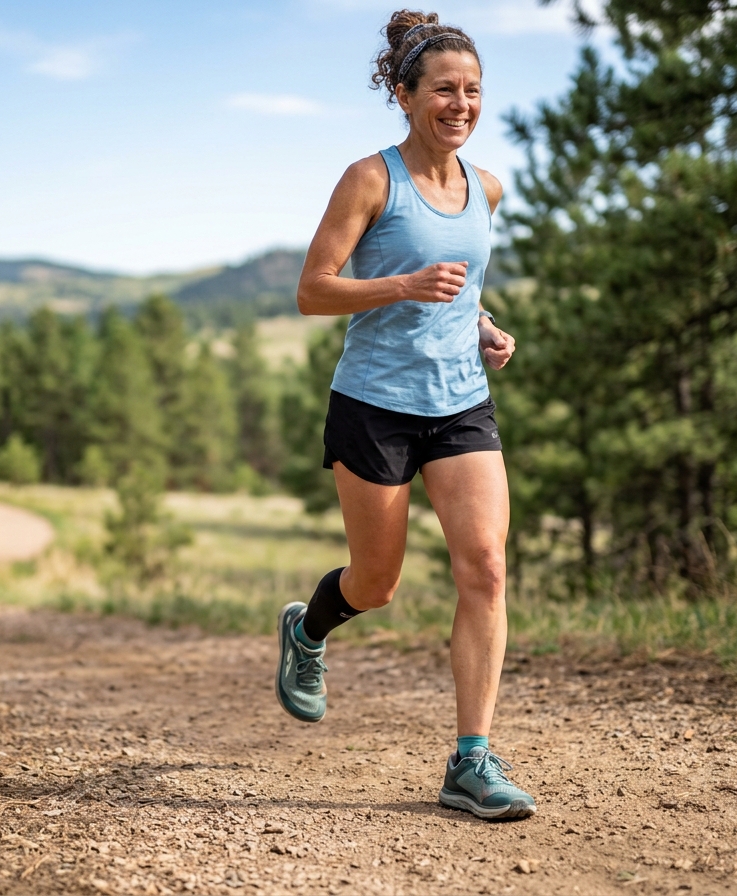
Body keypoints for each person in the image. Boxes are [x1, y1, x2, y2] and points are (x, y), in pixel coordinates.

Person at [274, 9, 536, 820]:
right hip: (374, 405)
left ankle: (471, 760)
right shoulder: (369, 179)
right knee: (377, 582)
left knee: (485, 567)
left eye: (473, 90)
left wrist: (484, 326)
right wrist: (402, 286)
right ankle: (309, 629)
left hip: (461, 402)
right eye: (444, 90)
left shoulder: (486, 187)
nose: (461, 104)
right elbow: (313, 290)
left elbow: (466, 288)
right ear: (404, 94)